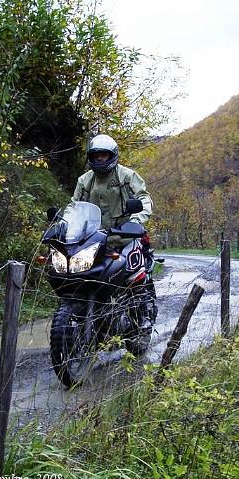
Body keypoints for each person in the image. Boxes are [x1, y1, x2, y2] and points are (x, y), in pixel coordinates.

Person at [72, 133, 155, 333]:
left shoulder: (126, 176)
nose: (100, 159)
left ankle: (140, 317)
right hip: (94, 239)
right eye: (96, 155)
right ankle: (83, 312)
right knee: (77, 272)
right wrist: (68, 226)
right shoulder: (85, 180)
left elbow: (143, 199)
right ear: (91, 158)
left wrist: (135, 221)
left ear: (112, 156)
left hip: (126, 235)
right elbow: (74, 207)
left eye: (104, 155)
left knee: (133, 275)